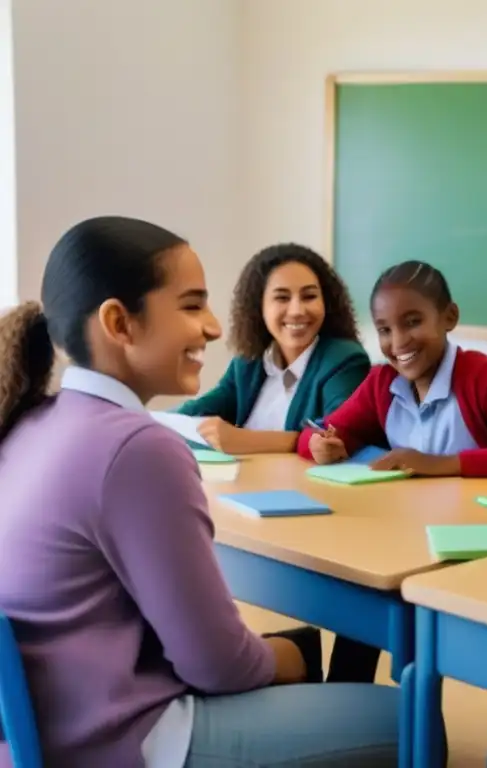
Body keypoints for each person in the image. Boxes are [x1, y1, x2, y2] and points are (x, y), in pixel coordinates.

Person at [0, 217, 399, 768]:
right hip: (121, 739)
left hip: (43, 734)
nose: (213, 327)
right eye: (191, 305)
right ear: (119, 322)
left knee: (288, 651)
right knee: (410, 721)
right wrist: (290, 660)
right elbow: (217, 667)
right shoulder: (137, 448)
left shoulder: (29, 423)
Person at [298, 260, 487, 478]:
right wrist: (319, 445)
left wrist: (438, 464)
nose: (399, 342)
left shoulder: (481, 376)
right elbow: (317, 432)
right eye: (385, 330)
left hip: (475, 524)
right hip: (410, 524)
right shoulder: (381, 382)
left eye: (413, 322)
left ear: (449, 317)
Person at [176, 243, 369, 454]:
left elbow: (338, 433)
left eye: (309, 296)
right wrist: (148, 419)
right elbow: (201, 408)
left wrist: (246, 440)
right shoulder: (250, 361)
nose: (296, 311)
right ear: (259, 307)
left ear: (326, 303)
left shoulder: (344, 360)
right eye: (282, 298)